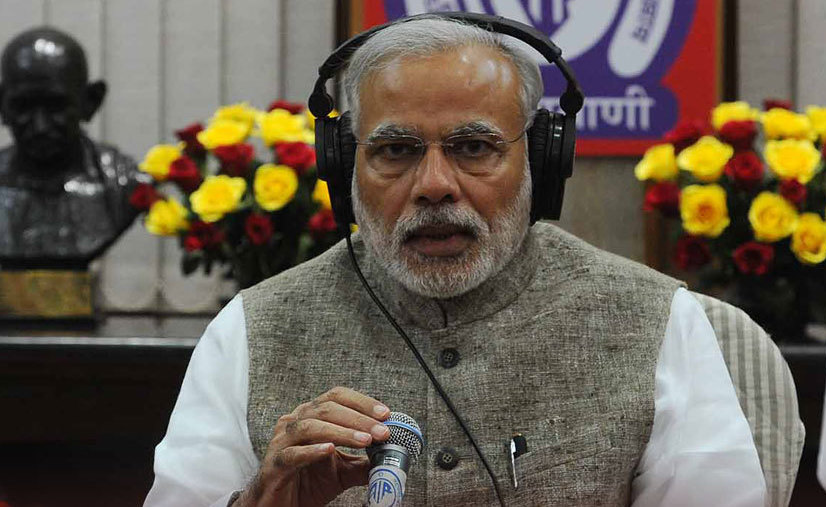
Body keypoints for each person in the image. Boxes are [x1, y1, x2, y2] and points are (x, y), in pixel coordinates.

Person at [145, 16, 766, 506]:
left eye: (473, 147)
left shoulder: (657, 321)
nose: (434, 185)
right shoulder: (252, 329)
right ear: (343, 165)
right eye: (396, 150)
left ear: (540, 162)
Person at [0, 27, 143, 268]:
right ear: (3, 106)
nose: (41, 126)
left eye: (56, 106)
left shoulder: (123, 185)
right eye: (23, 106)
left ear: (90, 102)